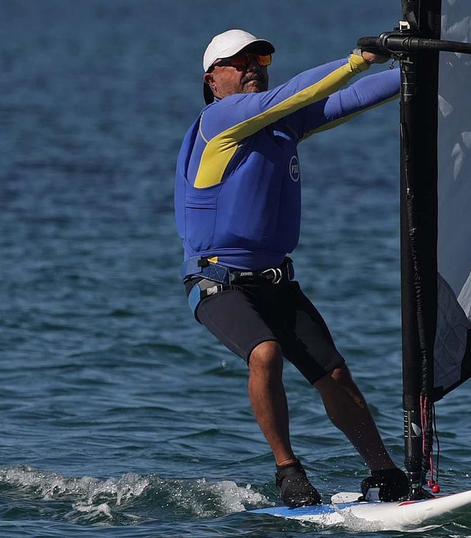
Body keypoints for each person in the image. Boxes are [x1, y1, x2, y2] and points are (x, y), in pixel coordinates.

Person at [175, 28, 410, 507]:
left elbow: (351, 100)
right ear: (212, 80)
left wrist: (420, 71)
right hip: (217, 284)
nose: (252, 67)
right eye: (239, 61)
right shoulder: (218, 120)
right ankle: (288, 471)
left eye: (259, 60)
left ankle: (385, 472)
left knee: (335, 376)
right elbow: (300, 92)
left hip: (278, 283)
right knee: (265, 353)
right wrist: (360, 59)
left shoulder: (281, 126)